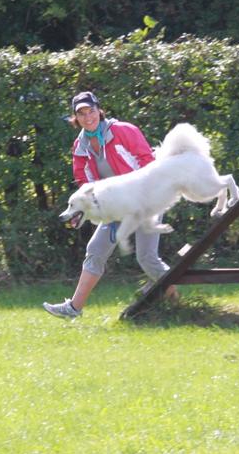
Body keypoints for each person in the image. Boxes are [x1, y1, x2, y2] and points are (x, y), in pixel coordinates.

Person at [43, 91, 173, 319]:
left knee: (147, 258)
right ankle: (74, 308)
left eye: (91, 111)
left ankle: (178, 303)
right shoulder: (80, 146)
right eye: (81, 114)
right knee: (95, 250)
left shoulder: (123, 130)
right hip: (114, 208)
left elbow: (149, 164)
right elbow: (84, 184)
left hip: (146, 201)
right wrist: (92, 210)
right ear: (75, 118)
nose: (88, 117)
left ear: (99, 110)